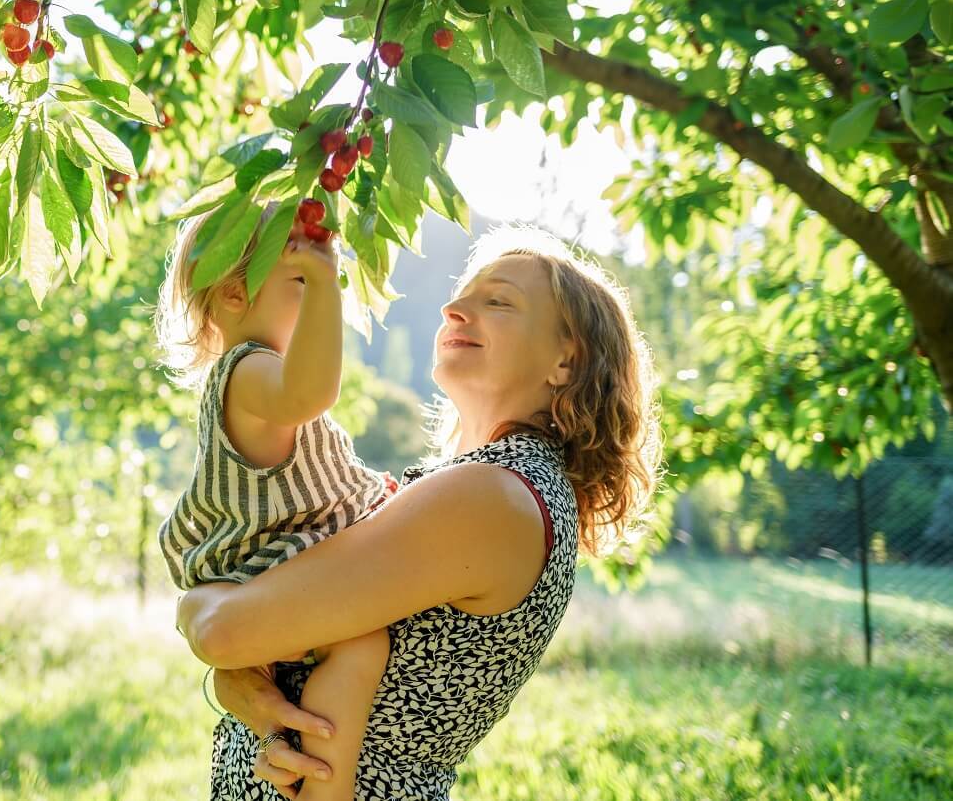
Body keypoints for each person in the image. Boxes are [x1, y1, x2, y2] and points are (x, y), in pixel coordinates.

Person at [176, 223, 665, 799]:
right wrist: (244, 687)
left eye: (498, 301)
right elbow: (255, 641)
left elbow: (224, 631)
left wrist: (197, 609)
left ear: (565, 360)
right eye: (461, 294)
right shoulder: (490, 486)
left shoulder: (492, 497)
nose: (455, 308)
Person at [153, 201, 404, 801]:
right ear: (236, 295)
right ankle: (325, 780)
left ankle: (285, 740)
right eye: (299, 281)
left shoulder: (256, 374)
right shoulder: (248, 372)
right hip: (272, 572)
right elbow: (311, 393)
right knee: (361, 643)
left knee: (355, 643)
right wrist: (325, 281)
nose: (319, 290)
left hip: (283, 566)